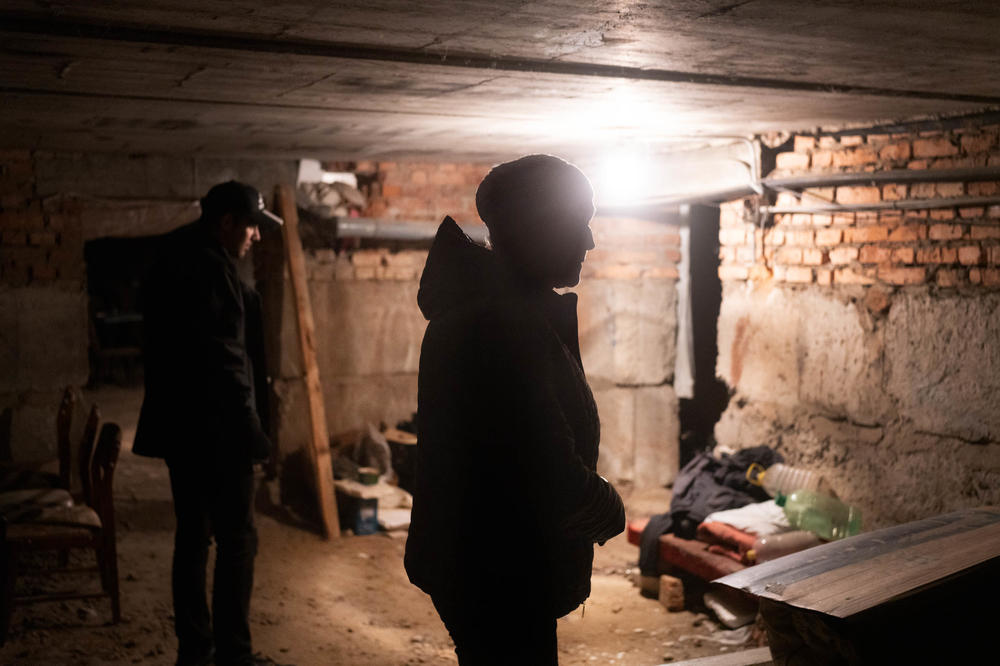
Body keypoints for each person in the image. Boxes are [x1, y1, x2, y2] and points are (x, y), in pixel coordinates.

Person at [404, 155, 626, 665]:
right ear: (537, 231)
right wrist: (606, 509)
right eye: (577, 224)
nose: (589, 241)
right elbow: (545, 468)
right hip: (496, 567)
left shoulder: (499, 311)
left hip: (487, 559)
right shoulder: (499, 326)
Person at [134, 181, 282, 666]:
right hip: (217, 434)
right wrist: (252, 431)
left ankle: (195, 652)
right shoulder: (213, 271)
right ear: (226, 224)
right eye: (252, 225)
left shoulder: (173, 258)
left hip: (181, 432)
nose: (256, 237)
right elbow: (226, 360)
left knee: (192, 537)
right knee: (238, 540)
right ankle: (234, 655)